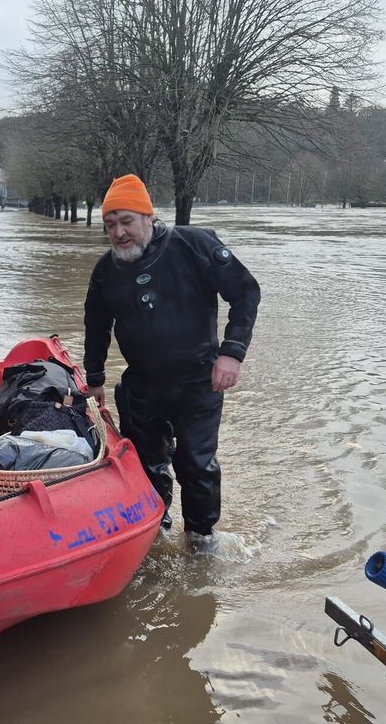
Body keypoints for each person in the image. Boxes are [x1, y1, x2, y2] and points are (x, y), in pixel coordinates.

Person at [83, 174, 260, 547]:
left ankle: (200, 540)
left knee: (196, 464)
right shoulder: (106, 270)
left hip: (199, 381)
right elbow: (96, 324)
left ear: (148, 217)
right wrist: (94, 377)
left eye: (127, 221)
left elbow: (246, 292)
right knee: (145, 464)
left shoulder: (193, 245)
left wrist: (231, 353)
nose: (119, 233)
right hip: (142, 385)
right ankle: (154, 533)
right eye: (110, 225)